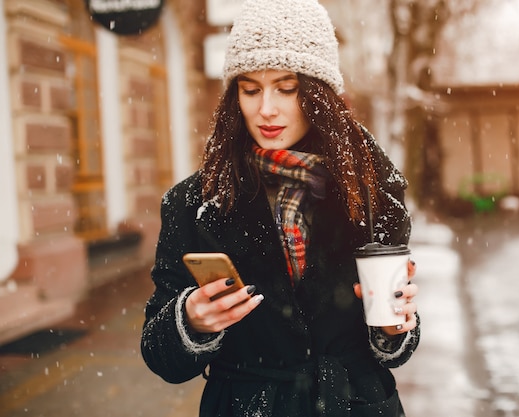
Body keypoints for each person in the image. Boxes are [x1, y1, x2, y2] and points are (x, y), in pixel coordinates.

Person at [140, 0, 420, 415]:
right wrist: (192, 321)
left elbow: (396, 346)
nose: (265, 108)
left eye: (287, 89)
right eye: (250, 89)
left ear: (318, 95)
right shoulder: (193, 204)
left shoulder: (373, 189)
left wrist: (394, 330)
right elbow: (159, 353)